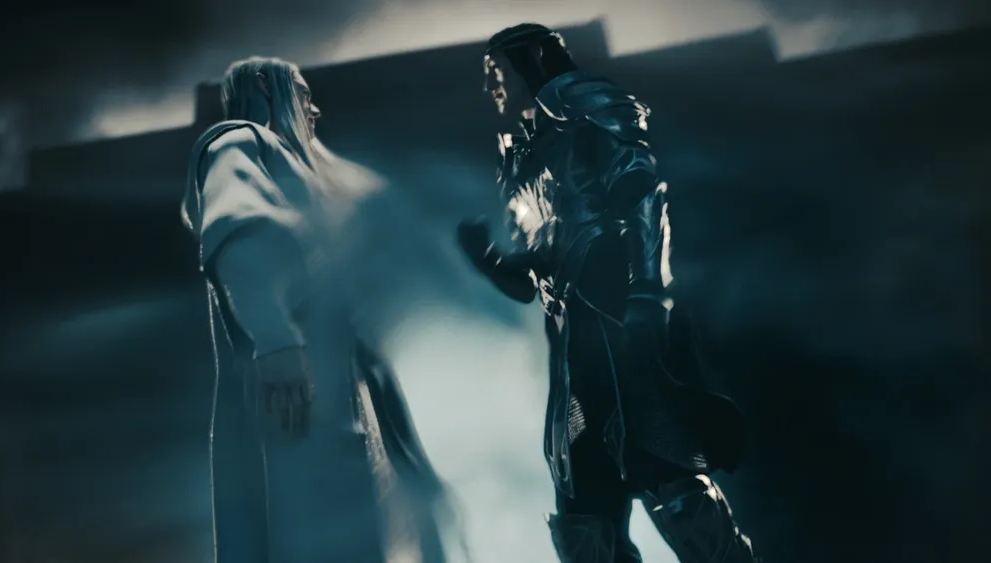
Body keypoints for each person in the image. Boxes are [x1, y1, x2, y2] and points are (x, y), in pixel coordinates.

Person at [457, 24, 760, 563]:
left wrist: (646, 294)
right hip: (574, 343)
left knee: (666, 472)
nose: (489, 86)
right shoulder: (519, 155)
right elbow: (530, 280)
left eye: (495, 71)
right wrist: (489, 259)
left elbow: (641, 197)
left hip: (620, 320)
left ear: (531, 60)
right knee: (584, 507)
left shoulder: (584, 108)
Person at [181, 56, 453, 563]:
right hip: (299, 405)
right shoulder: (239, 140)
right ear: (264, 85)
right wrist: (275, 340)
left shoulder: (292, 166)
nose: (314, 109)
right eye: (304, 94)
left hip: (329, 401)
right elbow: (238, 228)